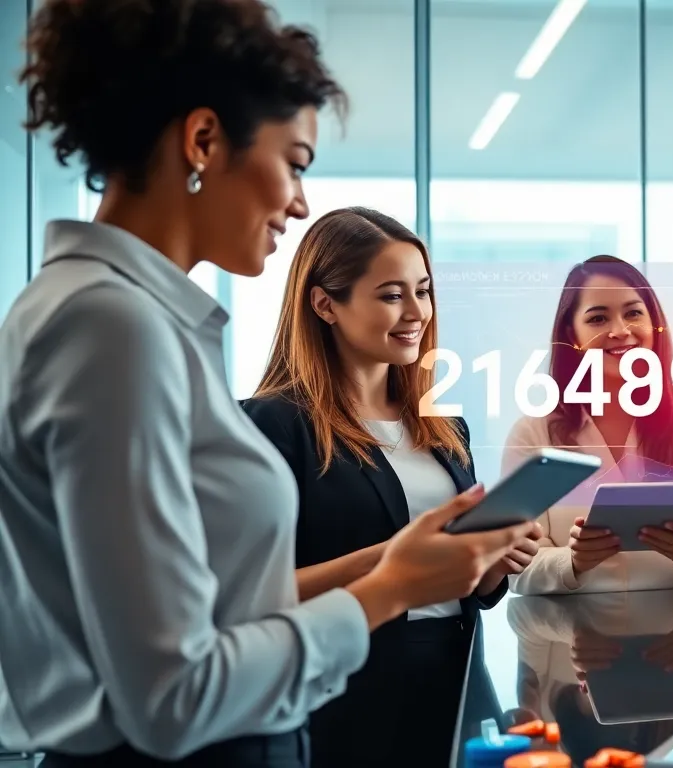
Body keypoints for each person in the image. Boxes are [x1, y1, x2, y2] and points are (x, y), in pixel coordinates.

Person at [0, 3, 530, 766]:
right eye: (296, 162)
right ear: (203, 141)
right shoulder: (111, 328)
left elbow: (211, 606)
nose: (301, 202)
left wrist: (402, 563)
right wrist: (388, 589)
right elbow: (174, 695)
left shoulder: (119, 318)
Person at [240, 207, 540, 765]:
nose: (417, 312)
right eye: (391, 295)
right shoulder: (273, 424)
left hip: (457, 685)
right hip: (346, 701)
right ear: (325, 304)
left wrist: (494, 557)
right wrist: (396, 560)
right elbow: (251, 595)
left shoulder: (445, 429)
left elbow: (473, 592)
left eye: (423, 291)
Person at [504, 256, 673, 594]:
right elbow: (516, 571)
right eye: (598, 318)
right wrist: (573, 561)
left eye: (633, 313)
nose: (620, 331)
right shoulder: (532, 434)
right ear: (572, 334)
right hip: (570, 626)